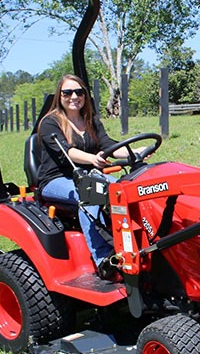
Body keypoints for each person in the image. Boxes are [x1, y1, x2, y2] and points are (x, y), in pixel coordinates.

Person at [36, 74, 136, 278]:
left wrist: (135, 152)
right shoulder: (50, 123)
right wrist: (92, 159)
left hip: (87, 174)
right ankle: (104, 260)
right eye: (68, 92)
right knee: (89, 195)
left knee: (124, 189)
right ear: (60, 95)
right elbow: (67, 152)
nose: (74, 96)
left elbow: (109, 146)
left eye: (79, 92)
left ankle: (136, 245)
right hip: (56, 179)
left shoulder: (90, 120)